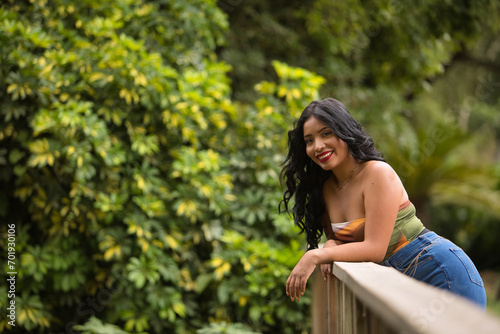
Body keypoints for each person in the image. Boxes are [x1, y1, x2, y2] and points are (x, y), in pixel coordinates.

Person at [279, 97, 487, 308]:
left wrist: (316, 255)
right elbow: (348, 242)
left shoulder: (377, 173)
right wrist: (332, 243)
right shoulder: (324, 190)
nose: (318, 146)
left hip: (441, 273)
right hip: (398, 284)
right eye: (309, 140)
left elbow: (375, 248)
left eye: (326, 133)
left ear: (344, 131)